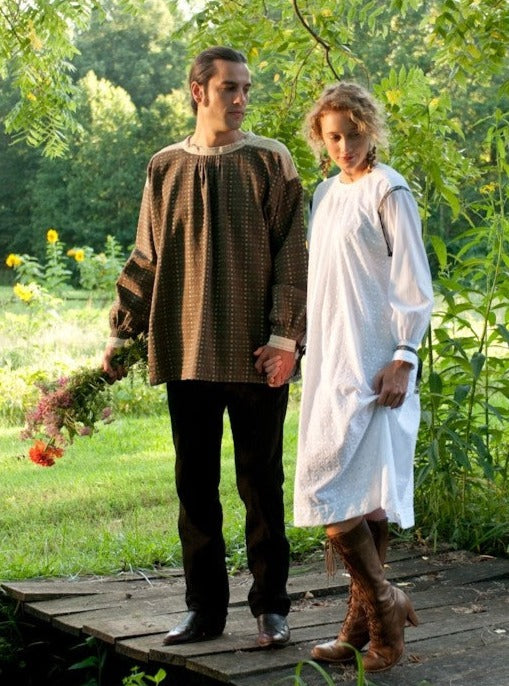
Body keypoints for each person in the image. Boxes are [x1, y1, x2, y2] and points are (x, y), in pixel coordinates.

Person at [102, 46, 307, 648]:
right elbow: (146, 255)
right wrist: (121, 332)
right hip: (187, 349)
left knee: (260, 485)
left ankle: (271, 607)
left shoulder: (271, 160)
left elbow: (293, 253)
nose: (241, 99)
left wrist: (283, 337)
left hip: (256, 355)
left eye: (246, 88)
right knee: (194, 486)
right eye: (229, 89)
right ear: (198, 91)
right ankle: (203, 611)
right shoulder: (164, 166)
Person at [265, 82, 433, 672]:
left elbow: (413, 279)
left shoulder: (390, 191)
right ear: (320, 138)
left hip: (375, 359)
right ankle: (367, 625)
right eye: (332, 136)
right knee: (348, 493)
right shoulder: (326, 194)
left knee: (346, 493)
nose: (344, 146)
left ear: (372, 130)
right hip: (331, 359)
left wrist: (404, 355)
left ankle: (381, 614)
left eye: (353, 134)